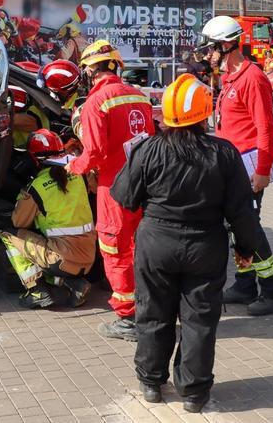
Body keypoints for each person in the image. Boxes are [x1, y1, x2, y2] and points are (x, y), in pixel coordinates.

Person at [111, 73, 263, 413]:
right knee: (199, 320)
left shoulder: (147, 148)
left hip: (156, 245)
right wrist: (246, 249)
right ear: (205, 114)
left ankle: (151, 382)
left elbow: (124, 197)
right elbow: (242, 210)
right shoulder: (224, 152)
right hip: (205, 246)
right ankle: (194, 393)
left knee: (152, 313)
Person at [65, 39, 155, 340]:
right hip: (146, 186)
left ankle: (127, 318)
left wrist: (73, 166)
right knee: (142, 248)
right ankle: (149, 306)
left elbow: (95, 153)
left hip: (114, 189)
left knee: (114, 248)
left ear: (91, 71)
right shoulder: (140, 98)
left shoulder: (96, 102)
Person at [200, 15, 273, 316]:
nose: (206, 54)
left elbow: (266, 129)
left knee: (249, 229)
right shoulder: (228, 78)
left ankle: (272, 286)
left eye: (210, 48)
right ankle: (245, 283)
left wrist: (262, 171)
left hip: (249, 168)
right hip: (231, 167)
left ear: (227, 45)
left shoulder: (253, 78)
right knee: (237, 230)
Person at [0, 129, 95, 309]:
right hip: (89, 257)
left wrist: (23, 197)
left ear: (34, 159)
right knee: (49, 249)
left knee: (9, 234)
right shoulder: (79, 174)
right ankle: (75, 284)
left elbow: (19, 222)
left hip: (62, 259)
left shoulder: (37, 187)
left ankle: (36, 290)